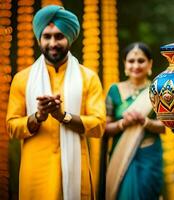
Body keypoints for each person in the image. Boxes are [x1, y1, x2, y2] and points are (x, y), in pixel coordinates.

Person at [6, 5, 106, 200]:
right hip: (35, 175)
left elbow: (99, 126)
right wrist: (38, 116)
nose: (53, 43)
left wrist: (63, 116)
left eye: (59, 36)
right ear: (39, 39)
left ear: (69, 37)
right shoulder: (22, 79)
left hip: (76, 172)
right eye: (47, 36)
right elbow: (11, 127)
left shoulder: (88, 78)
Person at [105, 42, 165, 200]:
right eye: (131, 61)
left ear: (150, 64)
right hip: (121, 153)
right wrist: (123, 123)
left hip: (149, 155)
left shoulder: (158, 90)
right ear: (125, 64)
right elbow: (105, 128)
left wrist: (144, 121)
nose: (136, 65)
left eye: (141, 61)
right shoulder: (114, 91)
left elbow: (164, 127)